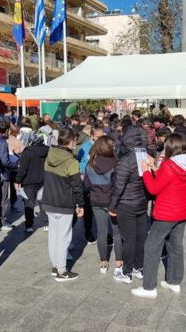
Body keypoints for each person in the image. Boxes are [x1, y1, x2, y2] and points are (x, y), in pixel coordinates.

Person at [132, 133, 186, 299]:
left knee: (152, 247)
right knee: (175, 245)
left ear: (171, 147)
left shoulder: (169, 165)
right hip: (182, 211)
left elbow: (153, 189)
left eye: (165, 145)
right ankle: (175, 282)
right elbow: (169, 180)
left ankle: (149, 287)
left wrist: (145, 171)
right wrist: (154, 168)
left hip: (167, 213)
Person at [41, 128, 84, 282]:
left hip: (48, 200)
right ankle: (62, 271)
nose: (75, 144)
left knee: (53, 235)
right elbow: (77, 186)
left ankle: (55, 266)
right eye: (74, 141)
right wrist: (81, 204)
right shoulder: (71, 161)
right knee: (64, 238)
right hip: (64, 203)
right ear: (70, 141)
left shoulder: (49, 155)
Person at [109, 121, 149, 284]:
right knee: (141, 237)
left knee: (129, 239)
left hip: (126, 204)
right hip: (141, 202)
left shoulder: (125, 160)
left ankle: (126, 272)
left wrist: (112, 206)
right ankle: (138, 268)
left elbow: (118, 187)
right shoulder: (145, 155)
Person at [84, 136, 123, 275]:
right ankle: (118, 262)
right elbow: (119, 185)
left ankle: (103, 262)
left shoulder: (90, 164)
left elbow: (87, 184)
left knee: (101, 231)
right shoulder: (117, 164)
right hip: (112, 201)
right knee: (117, 232)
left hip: (96, 200)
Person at [15, 131, 49, 233]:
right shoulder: (48, 150)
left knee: (29, 204)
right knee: (44, 203)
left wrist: (17, 180)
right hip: (44, 180)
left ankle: (29, 225)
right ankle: (46, 224)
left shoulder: (27, 151)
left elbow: (23, 169)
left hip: (28, 181)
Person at [0, 120, 20, 230]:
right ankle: (0, 221)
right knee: (2, 198)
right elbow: (5, 161)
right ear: (7, 131)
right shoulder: (2, 142)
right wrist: (16, 164)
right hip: (2, 173)